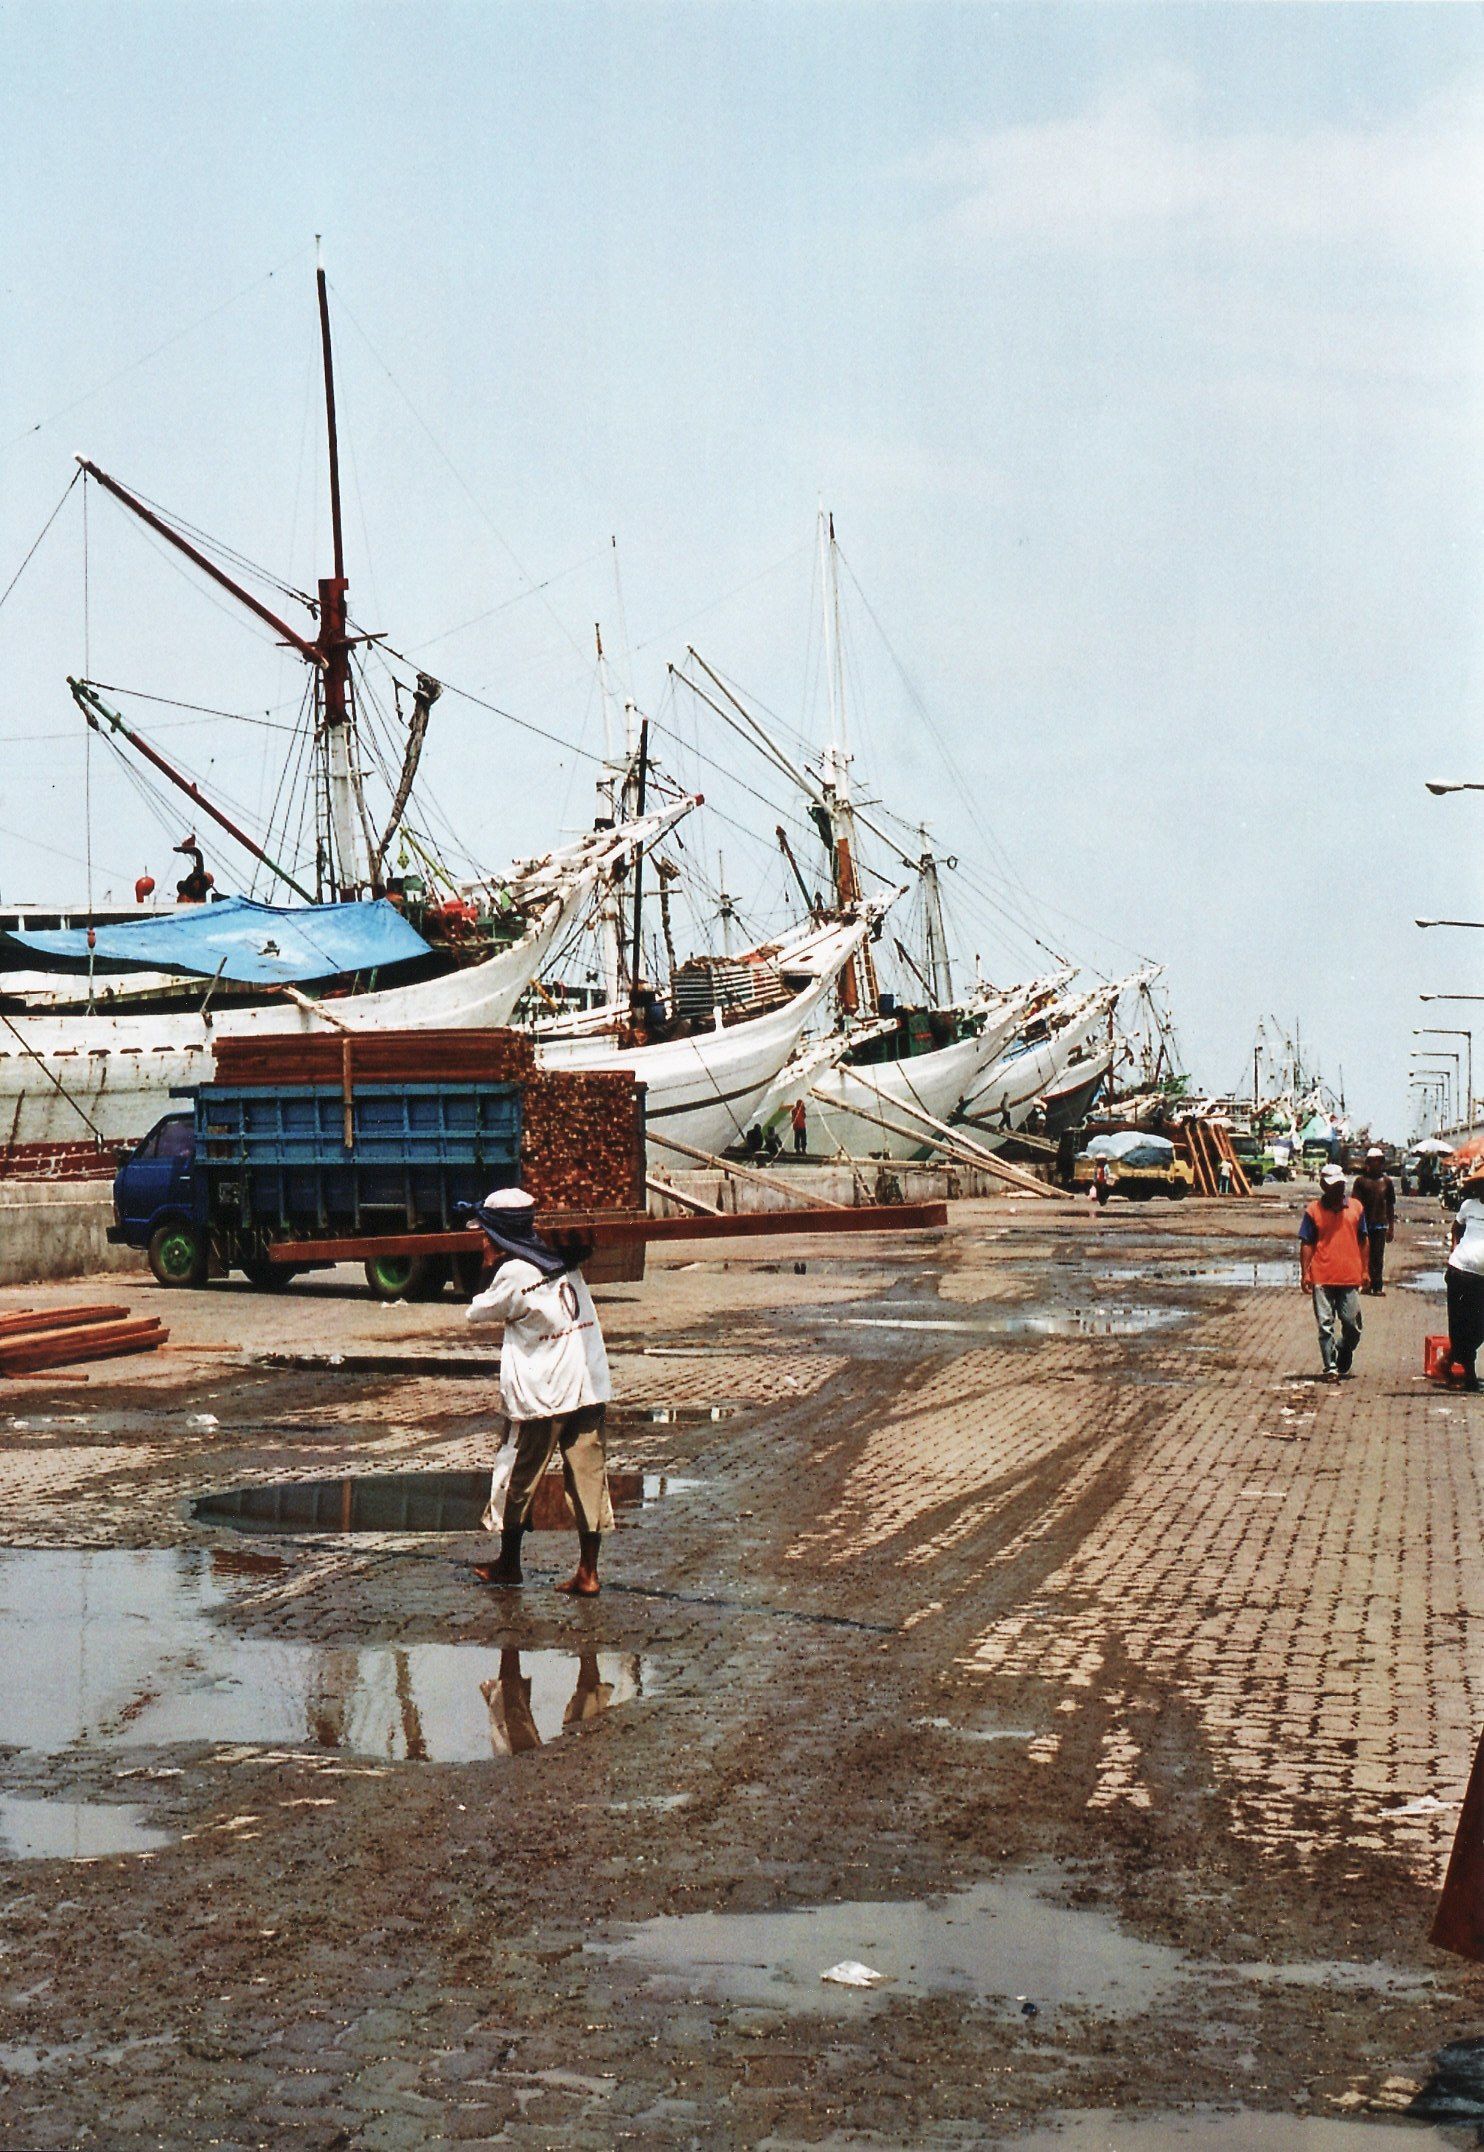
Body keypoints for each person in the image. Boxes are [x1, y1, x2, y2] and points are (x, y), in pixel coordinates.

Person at [464, 1188, 613, 1596]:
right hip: (587, 1383)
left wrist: (486, 1264)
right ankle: (588, 1571)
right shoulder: (564, 1261)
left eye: (485, 1236)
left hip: (545, 1393)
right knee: (588, 1477)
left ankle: (509, 1564)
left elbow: (475, 1310)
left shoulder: (514, 1274)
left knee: (518, 1478)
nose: (482, 1241)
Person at [1298, 1163, 1369, 1382]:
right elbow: (1307, 1243)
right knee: (1325, 1324)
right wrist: (1305, 1273)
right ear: (1323, 1185)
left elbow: (1363, 1239)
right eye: (1332, 1186)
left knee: (1352, 1325)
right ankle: (1330, 1367)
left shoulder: (1356, 1208)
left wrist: (1366, 1271)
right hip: (1322, 1275)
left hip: (1349, 1275)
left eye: (1339, 1185)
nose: (1337, 1190)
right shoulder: (1313, 1211)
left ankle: (1343, 1348)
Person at [1447, 1168, 1484, 1391]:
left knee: (1479, 1326)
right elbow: (1456, 1228)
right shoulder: (1469, 1206)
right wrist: (1453, 1249)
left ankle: (1451, 1359)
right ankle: (1469, 1376)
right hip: (1460, 1272)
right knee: (1460, 1324)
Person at [1352, 1145, 1397, 1295]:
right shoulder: (1360, 1182)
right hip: (1363, 1224)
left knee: (1377, 1256)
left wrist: (1391, 1227)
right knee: (1363, 1255)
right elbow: (1355, 1205)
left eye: (1378, 1161)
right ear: (1368, 1163)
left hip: (1379, 1224)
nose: (1375, 1164)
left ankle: (1377, 1286)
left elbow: (1390, 1205)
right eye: (1372, 1161)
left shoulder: (1386, 1182)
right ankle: (1364, 1282)